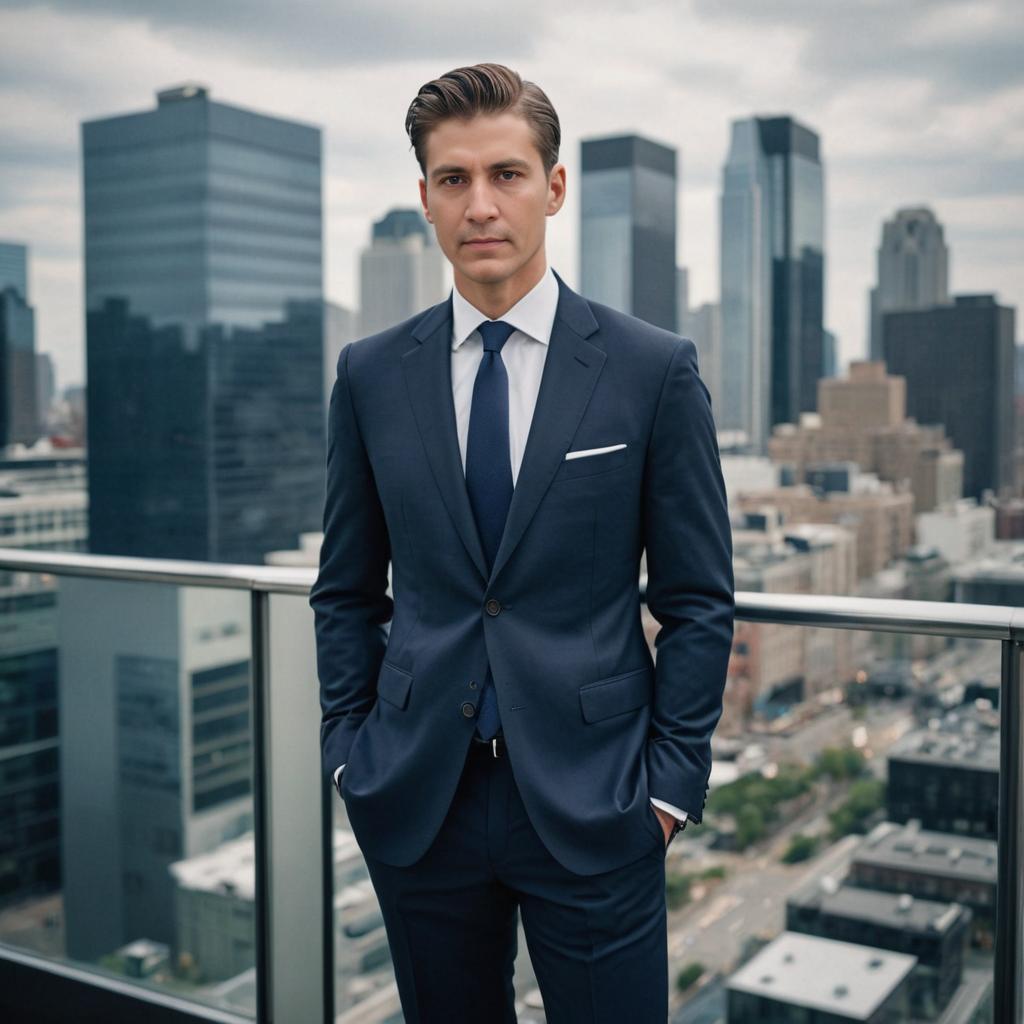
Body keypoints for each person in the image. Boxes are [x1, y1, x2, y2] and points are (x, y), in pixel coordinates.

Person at [310, 61, 734, 1023]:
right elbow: (345, 590)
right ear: (424, 197)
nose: (481, 204)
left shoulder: (651, 369)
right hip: (417, 799)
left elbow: (699, 598)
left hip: (599, 805)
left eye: (506, 174)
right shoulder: (371, 374)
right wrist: (350, 753)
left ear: (554, 187)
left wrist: (669, 787)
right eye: (454, 180)